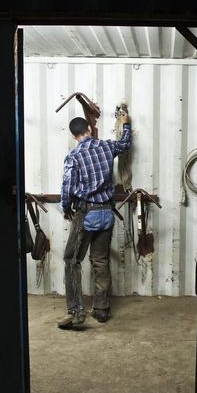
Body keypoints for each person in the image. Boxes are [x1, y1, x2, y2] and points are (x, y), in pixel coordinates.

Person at [57, 112, 131, 329]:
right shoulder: (107, 147)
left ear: (74, 136)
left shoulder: (74, 156)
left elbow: (68, 188)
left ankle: (76, 312)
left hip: (86, 213)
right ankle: (101, 310)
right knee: (100, 261)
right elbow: (125, 144)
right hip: (106, 212)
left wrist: (65, 207)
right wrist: (125, 124)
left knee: (72, 261)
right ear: (89, 129)